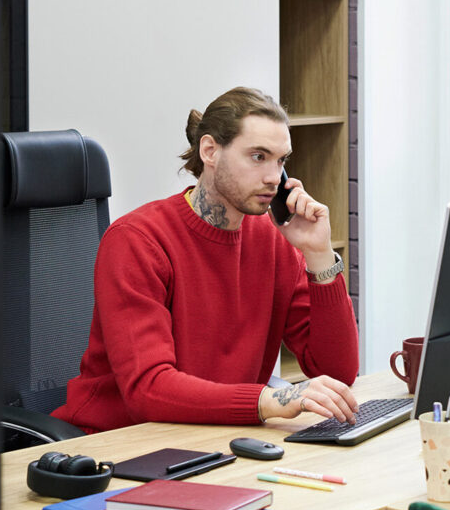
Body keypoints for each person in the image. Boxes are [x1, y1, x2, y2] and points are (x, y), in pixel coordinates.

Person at [52, 87, 360, 433]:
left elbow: (337, 374)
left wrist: (318, 256)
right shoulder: (137, 241)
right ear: (210, 151)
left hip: (212, 439)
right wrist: (270, 401)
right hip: (111, 446)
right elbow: (148, 388)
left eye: (281, 161)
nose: (274, 177)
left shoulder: (275, 240)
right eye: (258, 156)